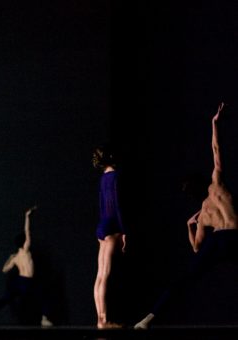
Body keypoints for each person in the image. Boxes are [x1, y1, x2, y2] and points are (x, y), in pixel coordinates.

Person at [134, 102, 238, 330]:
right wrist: (214, 124)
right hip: (234, 236)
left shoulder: (202, 216)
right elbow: (216, 150)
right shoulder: (217, 186)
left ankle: (148, 319)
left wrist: (189, 226)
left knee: (183, 281)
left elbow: (197, 248)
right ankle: (148, 319)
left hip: (217, 240)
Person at [0, 205, 53, 327]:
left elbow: (4, 269)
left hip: (21, 281)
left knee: (8, 299)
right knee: (42, 297)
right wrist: (27, 217)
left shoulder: (15, 257)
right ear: (24, 243)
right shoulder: (26, 250)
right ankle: (43, 319)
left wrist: (10, 258)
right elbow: (27, 231)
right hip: (27, 281)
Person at [92, 144, 127, 329]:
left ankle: (100, 318)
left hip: (102, 225)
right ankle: (104, 320)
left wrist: (101, 227)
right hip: (113, 225)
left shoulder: (103, 178)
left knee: (100, 275)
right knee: (106, 275)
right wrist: (124, 232)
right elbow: (119, 206)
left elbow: (101, 203)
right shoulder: (116, 177)